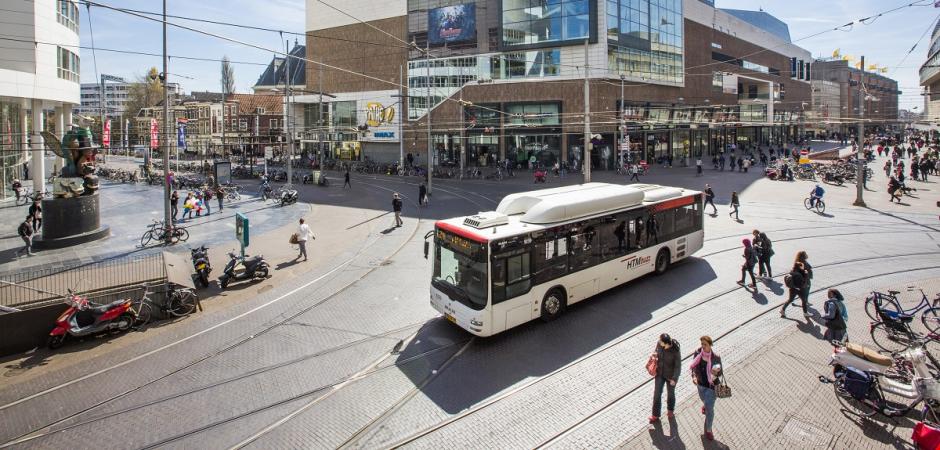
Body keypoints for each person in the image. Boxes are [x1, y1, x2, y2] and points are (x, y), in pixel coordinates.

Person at [691, 336, 722, 441]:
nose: (703, 346)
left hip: (711, 387)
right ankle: (705, 404)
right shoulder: (698, 353)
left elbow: (720, 373)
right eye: (702, 344)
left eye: (705, 344)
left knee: (710, 410)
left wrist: (716, 371)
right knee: (704, 401)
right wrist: (694, 377)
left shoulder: (715, 357)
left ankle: (708, 430)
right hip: (700, 385)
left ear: (710, 345)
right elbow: (694, 367)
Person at [650, 334, 681, 423]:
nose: (659, 342)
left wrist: (674, 379)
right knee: (657, 394)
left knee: (670, 394)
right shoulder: (659, 344)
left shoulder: (675, 351)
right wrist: (654, 355)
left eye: (661, 341)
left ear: (666, 343)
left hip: (671, 376)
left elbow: (678, 366)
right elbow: (656, 351)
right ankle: (655, 415)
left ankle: (670, 410)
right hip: (660, 373)